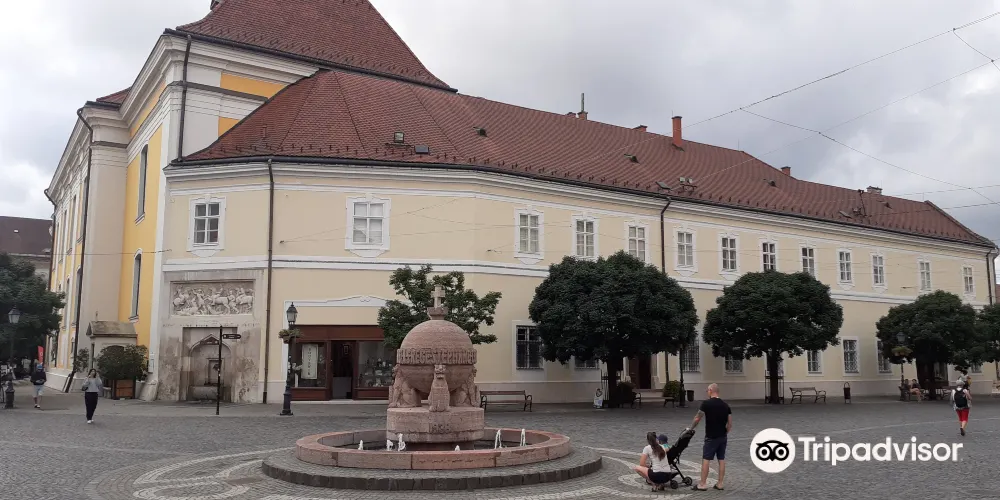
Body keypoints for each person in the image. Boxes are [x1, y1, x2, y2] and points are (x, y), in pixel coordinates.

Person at [688, 383, 731, 491]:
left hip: (711, 437)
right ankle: (720, 484)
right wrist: (725, 432)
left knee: (706, 459)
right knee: (721, 459)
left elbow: (697, 418)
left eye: (707, 390)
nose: (707, 392)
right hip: (722, 437)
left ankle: (702, 484)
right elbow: (730, 423)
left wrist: (691, 428)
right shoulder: (725, 405)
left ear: (711, 390)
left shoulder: (706, 404)